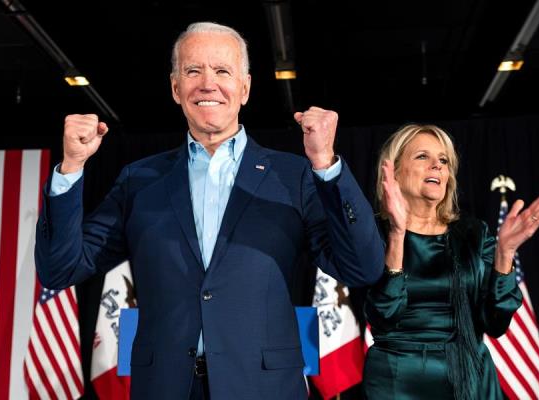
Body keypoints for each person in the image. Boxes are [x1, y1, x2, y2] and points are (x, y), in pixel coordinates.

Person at [34, 22, 386, 400]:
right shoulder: (139, 180)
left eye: (222, 71)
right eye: (192, 71)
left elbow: (361, 266)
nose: (207, 83)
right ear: (175, 88)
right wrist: (70, 168)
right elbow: (61, 267)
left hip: (263, 388)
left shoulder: (294, 176)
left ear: (245, 87)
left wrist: (327, 165)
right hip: (164, 388)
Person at [362, 124, 539, 400]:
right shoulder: (372, 234)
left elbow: (496, 323)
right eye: (423, 157)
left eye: (443, 161)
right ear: (393, 171)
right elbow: (383, 316)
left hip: (471, 380)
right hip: (398, 382)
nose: (437, 166)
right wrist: (397, 233)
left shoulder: (473, 233)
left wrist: (505, 252)